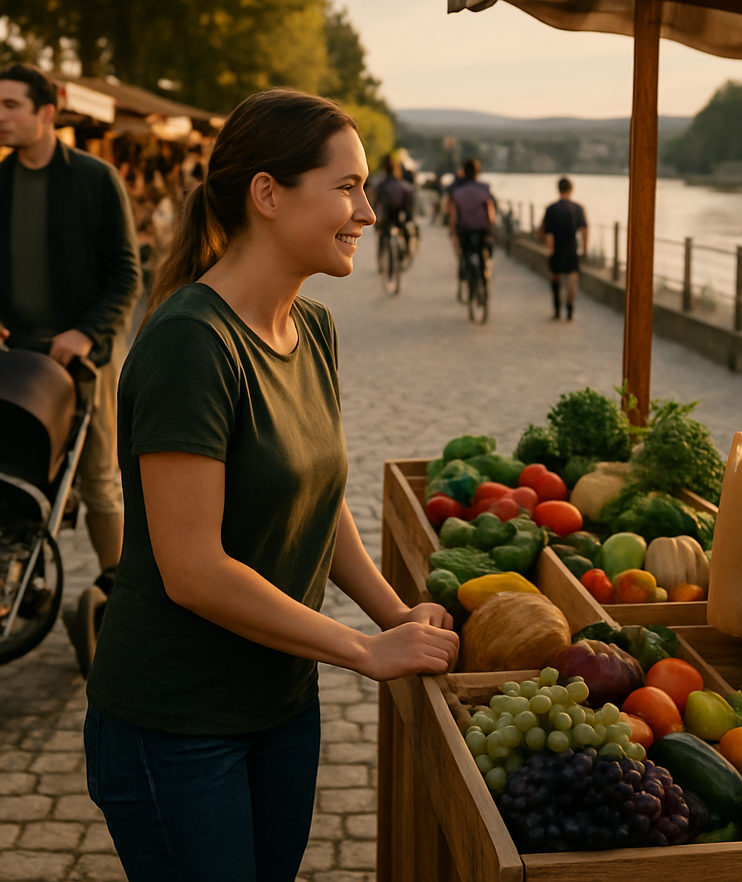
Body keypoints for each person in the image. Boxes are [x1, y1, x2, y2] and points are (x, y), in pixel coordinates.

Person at [82, 88, 459, 882]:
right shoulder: (191, 342)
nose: (369, 211)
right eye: (347, 187)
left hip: (281, 706)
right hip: (176, 722)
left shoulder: (312, 328)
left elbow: (316, 502)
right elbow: (193, 571)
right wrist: (364, 650)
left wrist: (395, 613)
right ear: (268, 194)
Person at [0, 63, 140, 663]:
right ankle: (17, 572)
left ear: (46, 113)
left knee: (99, 478)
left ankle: (121, 592)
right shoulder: (0, 181)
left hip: (85, 358)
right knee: (14, 473)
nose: (1, 117)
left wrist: (84, 332)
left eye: (11, 105)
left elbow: (126, 275)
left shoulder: (93, 178)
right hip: (16, 359)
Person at [539, 177, 588, 320]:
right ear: (571, 189)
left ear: (558, 189)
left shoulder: (551, 208)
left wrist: (549, 248)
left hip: (556, 248)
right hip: (571, 248)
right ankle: (570, 310)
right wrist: (584, 249)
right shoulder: (578, 208)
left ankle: (557, 309)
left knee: (555, 277)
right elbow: (584, 230)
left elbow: (546, 233)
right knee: (571, 278)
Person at [449, 157, 495, 288]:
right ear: (478, 172)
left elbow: (453, 217)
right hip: (481, 229)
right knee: (483, 252)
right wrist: (491, 231)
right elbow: (491, 215)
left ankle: (466, 274)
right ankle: (484, 277)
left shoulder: (457, 192)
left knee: (465, 253)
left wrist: (453, 234)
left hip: (464, 229)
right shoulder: (484, 188)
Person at [373, 153, 416, 268]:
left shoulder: (380, 186)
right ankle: (405, 253)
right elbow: (409, 206)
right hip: (399, 217)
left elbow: (376, 204)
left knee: (382, 236)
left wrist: (376, 222)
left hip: (386, 217)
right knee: (406, 233)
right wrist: (409, 217)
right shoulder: (404, 186)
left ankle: (381, 260)